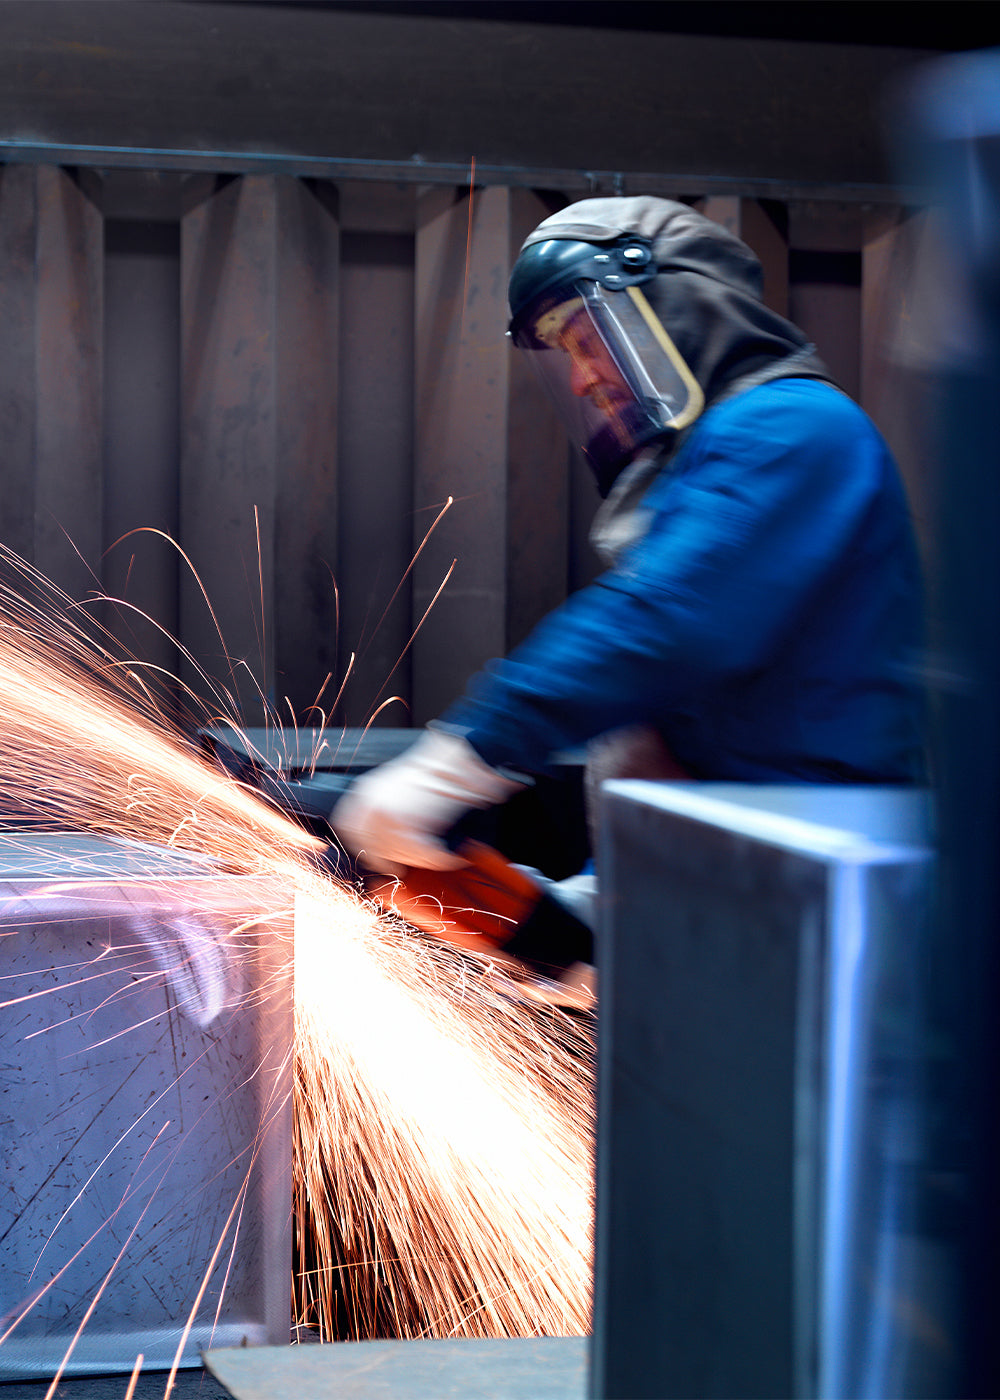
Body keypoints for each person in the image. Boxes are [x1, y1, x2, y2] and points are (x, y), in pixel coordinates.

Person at [330, 196, 926, 902]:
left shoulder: (794, 429)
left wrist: (463, 757)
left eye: (589, 341)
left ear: (673, 310)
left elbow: (663, 624)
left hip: (829, 878)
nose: (583, 379)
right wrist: (593, 910)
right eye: (568, 355)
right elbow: (676, 728)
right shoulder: (708, 468)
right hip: (754, 878)